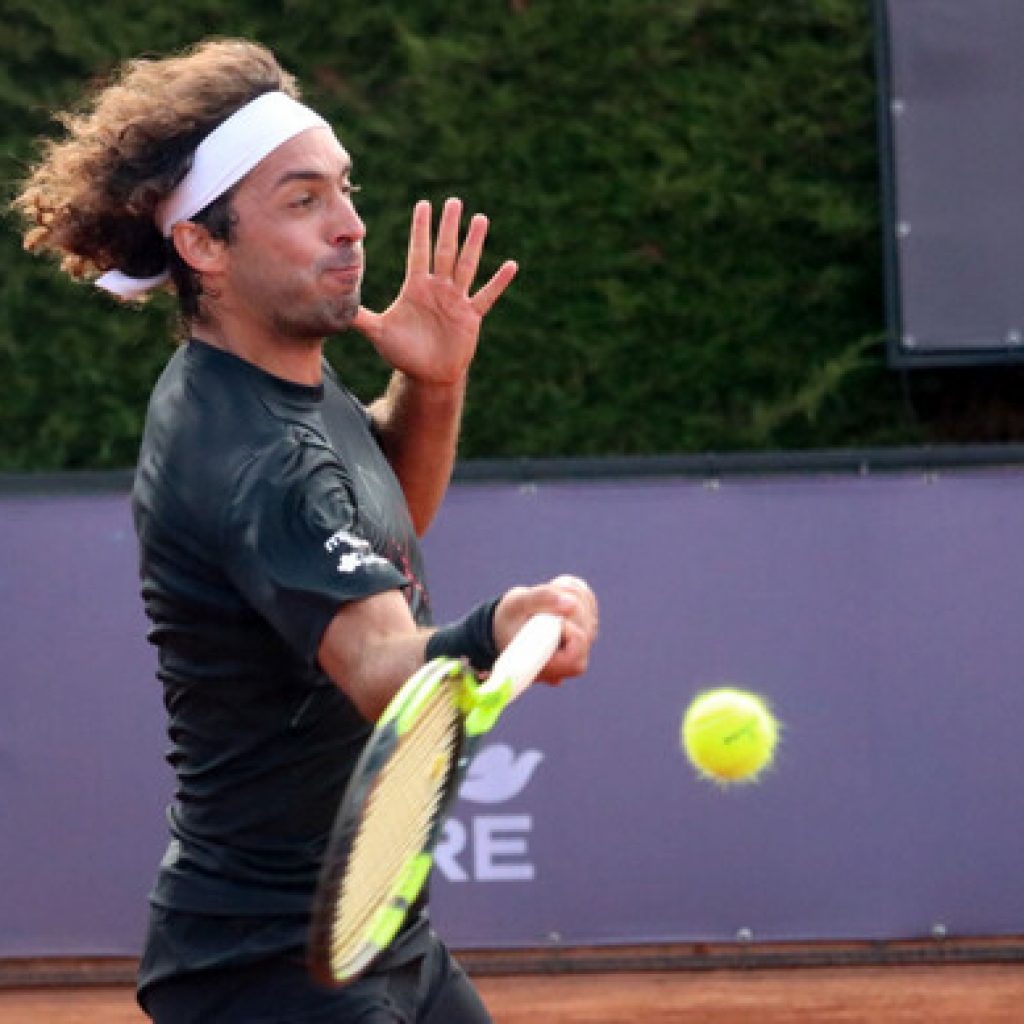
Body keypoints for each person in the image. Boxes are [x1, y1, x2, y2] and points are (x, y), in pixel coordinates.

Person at [14, 39, 598, 1023]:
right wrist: (501, 623)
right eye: (303, 201)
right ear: (203, 244)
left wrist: (434, 380)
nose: (351, 226)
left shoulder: (271, 379)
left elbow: (384, 518)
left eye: (344, 188)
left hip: (367, 927)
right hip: (262, 965)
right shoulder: (247, 451)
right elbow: (379, 669)